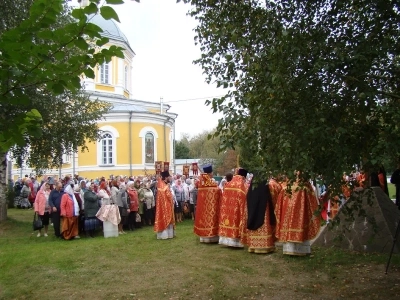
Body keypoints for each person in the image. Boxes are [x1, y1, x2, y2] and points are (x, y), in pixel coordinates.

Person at [275, 171, 321, 255]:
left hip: (287, 214)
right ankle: (301, 250)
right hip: (300, 213)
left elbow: (279, 204)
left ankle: (289, 250)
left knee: (288, 225)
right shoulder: (304, 186)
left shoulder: (286, 186)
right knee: (300, 225)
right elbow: (312, 200)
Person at [218, 168, 248, 247]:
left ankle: (226, 241)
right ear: (244, 177)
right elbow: (243, 200)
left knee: (228, 223)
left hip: (226, 209)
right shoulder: (241, 185)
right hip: (235, 210)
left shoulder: (229, 183)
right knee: (235, 222)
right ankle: (235, 243)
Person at [194, 164, 222, 243]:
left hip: (202, 206)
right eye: (212, 172)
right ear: (209, 173)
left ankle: (203, 237)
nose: (213, 174)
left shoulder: (200, 182)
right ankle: (211, 238)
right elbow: (218, 190)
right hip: (210, 206)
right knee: (210, 220)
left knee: (203, 219)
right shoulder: (210, 183)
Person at [154, 171, 175, 239]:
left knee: (162, 218)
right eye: (169, 177)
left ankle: (162, 235)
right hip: (166, 205)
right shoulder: (165, 186)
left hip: (161, 206)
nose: (170, 178)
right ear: (166, 177)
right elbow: (168, 196)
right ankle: (167, 234)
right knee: (167, 219)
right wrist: (172, 200)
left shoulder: (161, 184)